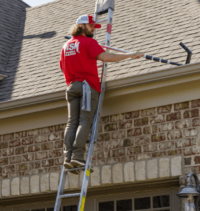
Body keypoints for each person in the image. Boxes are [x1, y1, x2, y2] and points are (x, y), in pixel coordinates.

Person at [60, 14, 143, 174]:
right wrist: (130, 55)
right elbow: (106, 57)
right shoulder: (89, 42)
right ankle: (77, 156)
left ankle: (68, 158)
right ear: (82, 26)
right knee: (84, 121)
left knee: (72, 123)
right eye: (91, 26)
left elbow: (62, 67)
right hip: (87, 87)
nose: (93, 30)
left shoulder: (66, 46)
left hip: (72, 87)